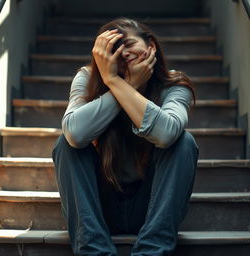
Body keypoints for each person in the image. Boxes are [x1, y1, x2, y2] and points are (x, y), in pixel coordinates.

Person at [52, 17, 199, 256]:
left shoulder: (173, 85)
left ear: (150, 46)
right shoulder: (87, 78)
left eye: (129, 44)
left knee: (183, 142)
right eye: (113, 49)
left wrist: (119, 84)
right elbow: (75, 134)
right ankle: (94, 251)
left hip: (151, 205)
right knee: (65, 144)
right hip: (101, 207)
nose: (123, 53)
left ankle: (151, 252)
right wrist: (117, 82)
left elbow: (166, 134)